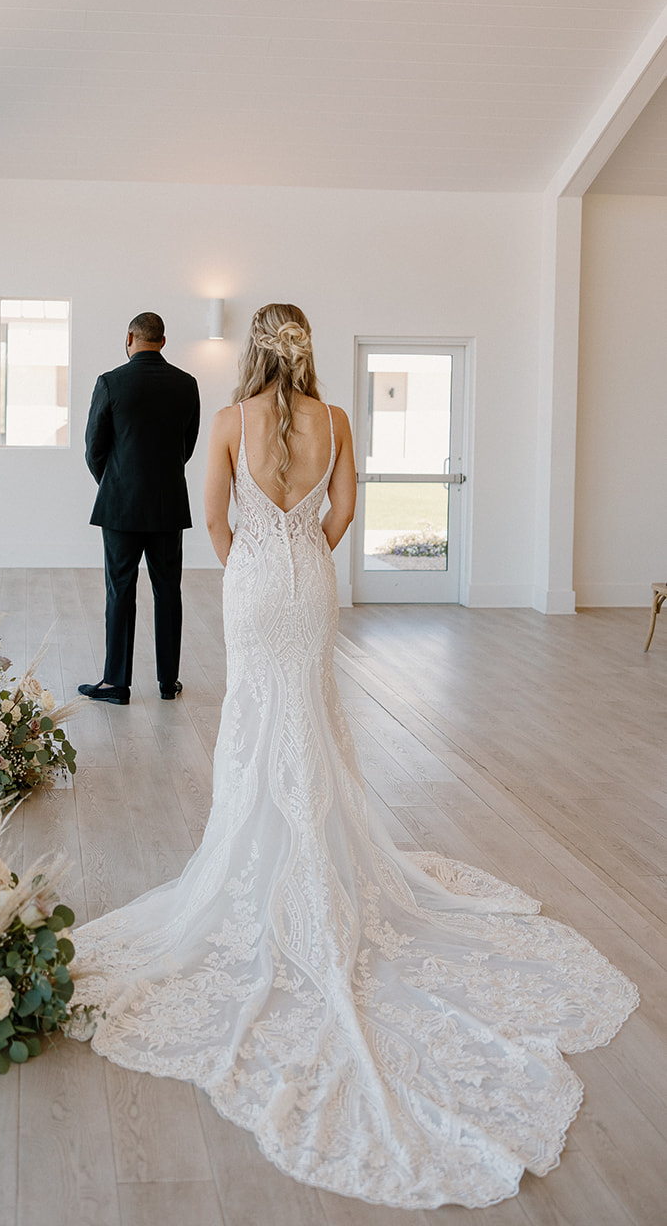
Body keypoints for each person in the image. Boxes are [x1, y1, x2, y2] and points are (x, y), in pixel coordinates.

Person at [66, 303, 637, 1209]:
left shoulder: (227, 421)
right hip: (310, 585)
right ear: (307, 350)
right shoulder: (333, 422)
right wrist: (305, 554)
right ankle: (319, 865)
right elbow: (341, 510)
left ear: (253, 351)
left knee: (258, 726)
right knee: (314, 722)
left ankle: (261, 867)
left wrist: (258, 559)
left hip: (255, 586)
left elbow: (212, 525)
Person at [79, 312, 200, 706]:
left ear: (130, 337)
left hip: (120, 508)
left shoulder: (110, 382)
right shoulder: (187, 385)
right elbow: (187, 446)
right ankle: (168, 682)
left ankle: (116, 683)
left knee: (120, 591)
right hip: (167, 505)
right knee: (168, 591)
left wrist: (115, 482)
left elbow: (93, 448)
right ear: (163, 341)